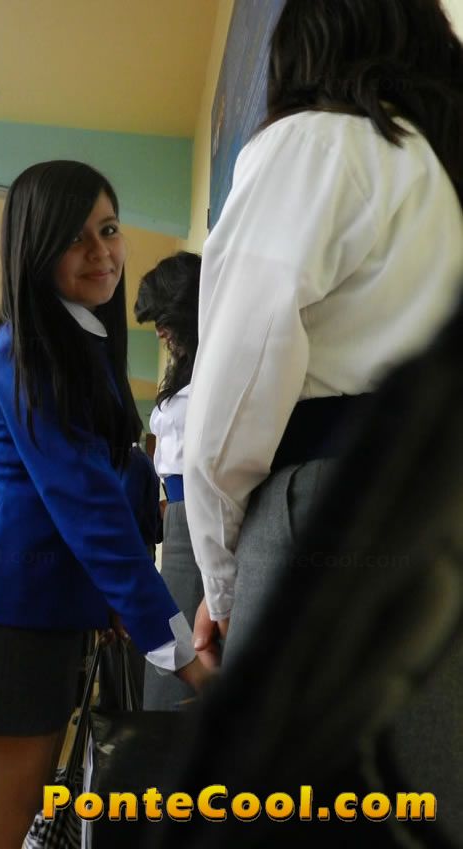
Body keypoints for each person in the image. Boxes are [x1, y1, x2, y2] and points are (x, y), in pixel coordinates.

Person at [0, 160, 209, 849]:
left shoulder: (73, 340)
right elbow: (88, 506)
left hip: (29, 598)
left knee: (9, 809)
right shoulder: (31, 349)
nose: (101, 251)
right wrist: (181, 654)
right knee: (0, 812)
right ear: (35, 248)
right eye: (75, 237)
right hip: (5, 601)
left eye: (108, 229)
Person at [184, 0, 463, 667]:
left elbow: (235, 395)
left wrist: (222, 582)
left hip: (333, 510)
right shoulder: (444, 175)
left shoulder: (313, 144)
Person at [134, 251, 205, 709]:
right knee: (169, 651)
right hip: (177, 518)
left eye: (164, 318)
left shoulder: (218, 364)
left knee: (184, 654)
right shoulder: (182, 370)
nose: (159, 331)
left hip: (202, 516)